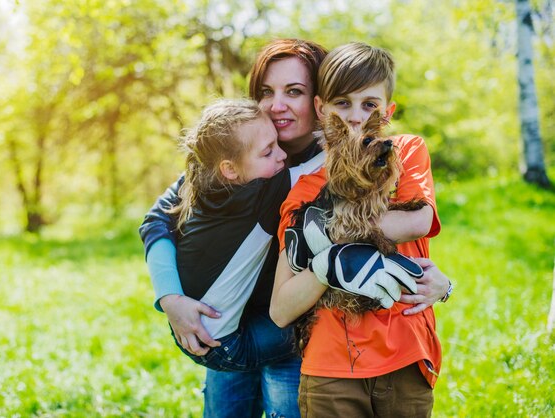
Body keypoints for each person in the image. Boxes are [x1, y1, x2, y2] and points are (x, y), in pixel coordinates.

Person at [139, 39, 328, 418]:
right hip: (225, 322)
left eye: (294, 91)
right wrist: (171, 298)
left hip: (293, 330)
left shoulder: (337, 161)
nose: (276, 106)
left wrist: (437, 281)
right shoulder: (234, 152)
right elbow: (157, 219)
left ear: (321, 100)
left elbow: (379, 225)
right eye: (265, 92)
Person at [270, 42, 453, 417]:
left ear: (387, 112)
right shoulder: (305, 191)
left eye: (369, 104)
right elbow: (280, 308)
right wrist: (326, 266)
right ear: (321, 109)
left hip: (405, 351)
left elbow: (416, 220)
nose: (355, 117)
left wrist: (328, 234)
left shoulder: (402, 154)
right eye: (342, 103)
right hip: (330, 367)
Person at [165, 98, 324, 371]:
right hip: (224, 345)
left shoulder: (206, 185)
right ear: (229, 168)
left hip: (190, 326)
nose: (282, 155)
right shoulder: (257, 196)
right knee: (319, 319)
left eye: (277, 143)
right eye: (267, 152)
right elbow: (323, 166)